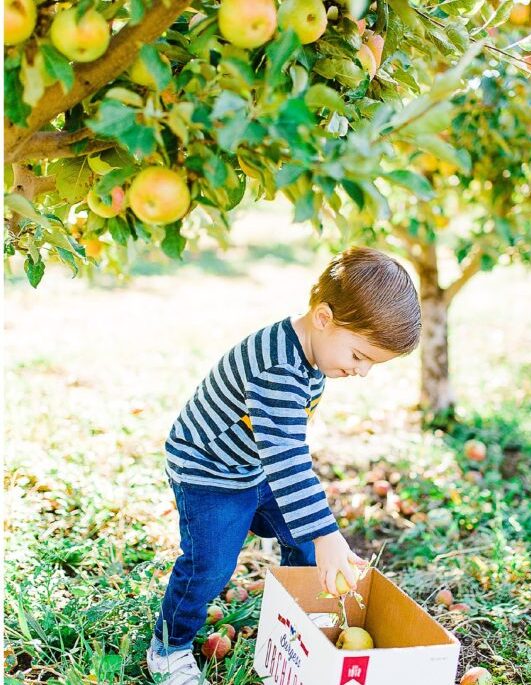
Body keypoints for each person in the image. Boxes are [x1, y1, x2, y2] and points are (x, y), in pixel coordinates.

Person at [147, 246, 422, 683]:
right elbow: (289, 462)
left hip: (256, 464)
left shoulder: (313, 352)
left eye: (371, 363)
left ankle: (298, 616)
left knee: (309, 543)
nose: (362, 372)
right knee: (210, 565)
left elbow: (283, 451)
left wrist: (319, 536)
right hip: (210, 472)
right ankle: (169, 645)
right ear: (324, 317)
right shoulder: (278, 366)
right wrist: (326, 532)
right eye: (359, 356)